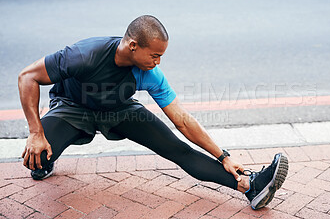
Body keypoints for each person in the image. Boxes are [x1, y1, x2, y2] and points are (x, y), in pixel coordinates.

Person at [18, 15, 288, 210]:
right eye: (155, 55)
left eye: (161, 56)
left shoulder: (150, 74)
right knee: (37, 157)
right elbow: (28, 77)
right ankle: (46, 161)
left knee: (177, 149)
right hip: (73, 108)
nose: (158, 62)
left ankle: (249, 186)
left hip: (119, 110)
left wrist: (223, 155)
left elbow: (181, 120)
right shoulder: (84, 54)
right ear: (133, 45)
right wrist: (35, 132)